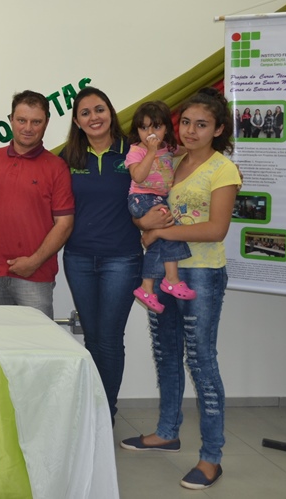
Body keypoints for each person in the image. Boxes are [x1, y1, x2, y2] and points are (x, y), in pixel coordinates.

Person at [120, 87, 240, 491]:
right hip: (163, 269)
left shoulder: (223, 169)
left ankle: (211, 457)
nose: (191, 130)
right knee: (166, 353)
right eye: (185, 122)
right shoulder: (171, 160)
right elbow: (146, 208)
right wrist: (145, 226)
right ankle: (166, 432)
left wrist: (158, 232)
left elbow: (215, 228)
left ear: (218, 129)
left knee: (201, 361)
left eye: (201, 124)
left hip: (201, 273)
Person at [58, 86, 141, 424]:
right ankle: (94, 410)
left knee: (108, 338)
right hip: (78, 258)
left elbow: (162, 178)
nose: (94, 117)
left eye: (99, 109)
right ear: (77, 122)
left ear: (111, 112)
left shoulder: (133, 151)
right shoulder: (67, 157)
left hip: (122, 259)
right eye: (85, 113)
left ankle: (105, 413)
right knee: (92, 337)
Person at [0, 90, 74, 319]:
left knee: (37, 341)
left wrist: (34, 262)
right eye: (21, 120)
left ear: (46, 123)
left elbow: (65, 224)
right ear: (11, 120)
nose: (28, 128)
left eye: (36, 122)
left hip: (35, 275)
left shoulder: (57, 167)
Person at [126, 101, 194, 313]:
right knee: (171, 230)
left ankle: (147, 287)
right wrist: (151, 152)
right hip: (141, 199)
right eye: (144, 127)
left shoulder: (169, 148)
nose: (150, 133)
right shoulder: (136, 151)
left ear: (166, 128)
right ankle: (171, 279)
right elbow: (138, 176)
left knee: (160, 241)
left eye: (156, 126)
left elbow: (190, 150)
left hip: (158, 199)